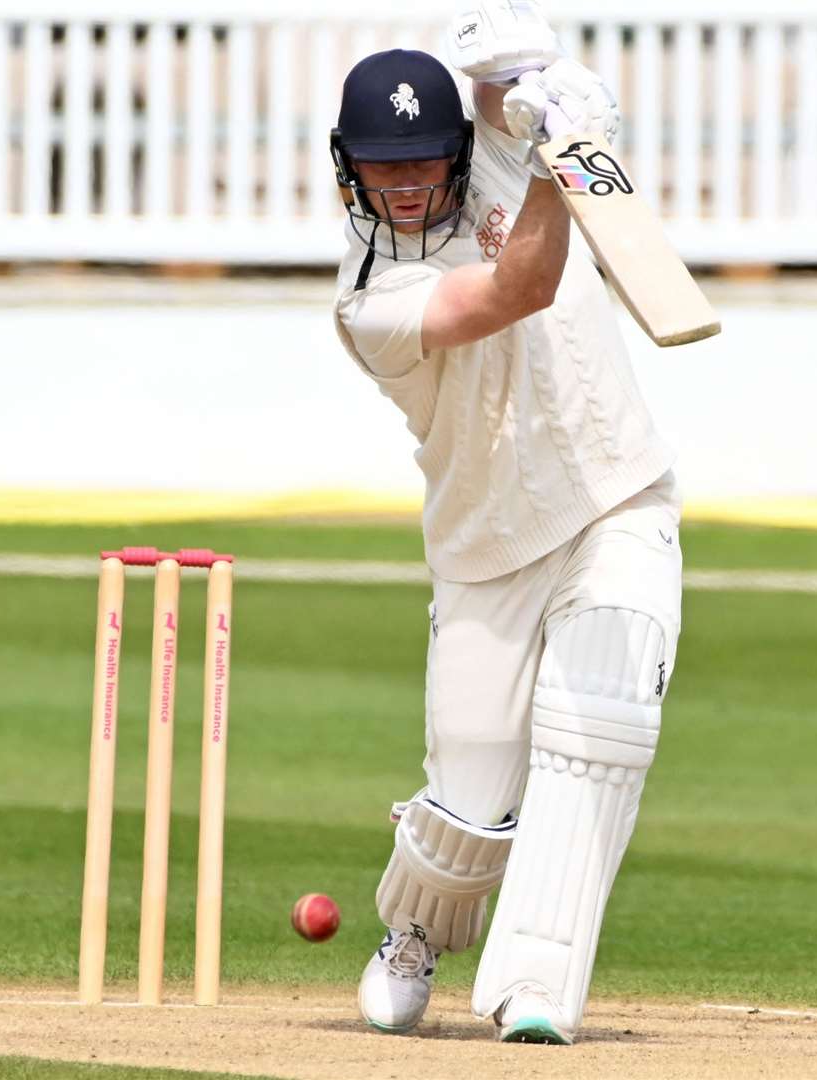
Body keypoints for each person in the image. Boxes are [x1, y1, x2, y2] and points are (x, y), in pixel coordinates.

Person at [329, 1, 684, 1046]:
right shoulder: (370, 299)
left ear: (452, 149)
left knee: (600, 732)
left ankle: (535, 985)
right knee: (469, 807)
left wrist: (548, 92)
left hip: (614, 492)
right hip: (484, 549)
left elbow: (497, 73)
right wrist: (556, 165)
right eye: (382, 166)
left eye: (423, 159)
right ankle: (414, 934)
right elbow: (522, 285)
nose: (406, 182)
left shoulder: (490, 147)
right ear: (348, 167)